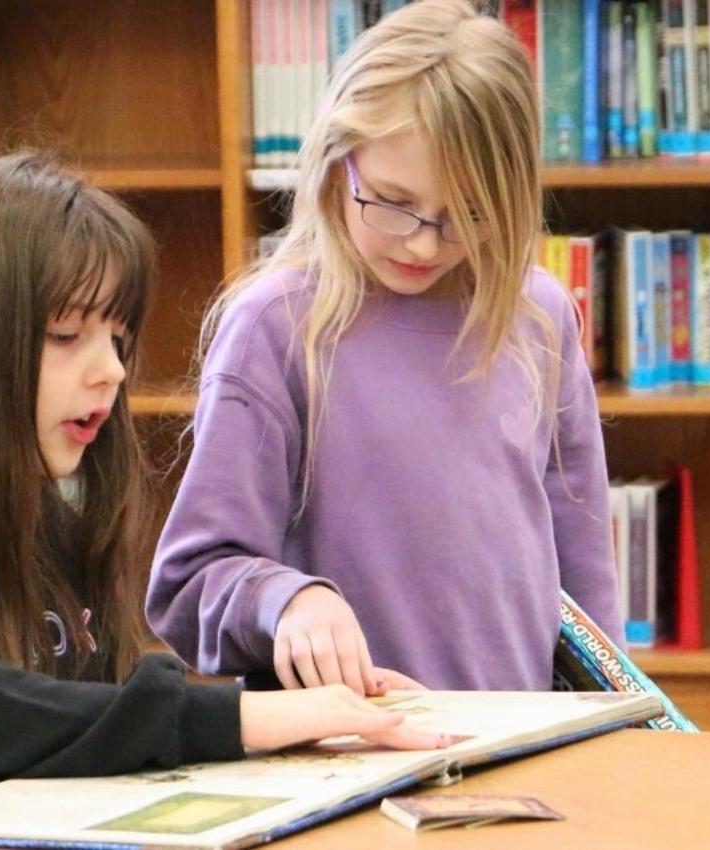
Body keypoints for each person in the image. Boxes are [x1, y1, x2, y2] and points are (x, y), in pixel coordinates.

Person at [0, 153, 448, 796]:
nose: (110, 369)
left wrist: (302, 708)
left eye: (119, 338)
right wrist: (244, 717)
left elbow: (77, 732)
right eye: (66, 336)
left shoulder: (44, 518)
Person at [149, 0, 622, 695]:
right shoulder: (275, 330)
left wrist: (617, 715)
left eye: (467, 215)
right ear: (339, 159)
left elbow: (585, 574)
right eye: (394, 203)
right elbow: (189, 582)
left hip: (526, 743)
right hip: (344, 760)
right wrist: (288, 599)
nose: (424, 242)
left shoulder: (541, 315)